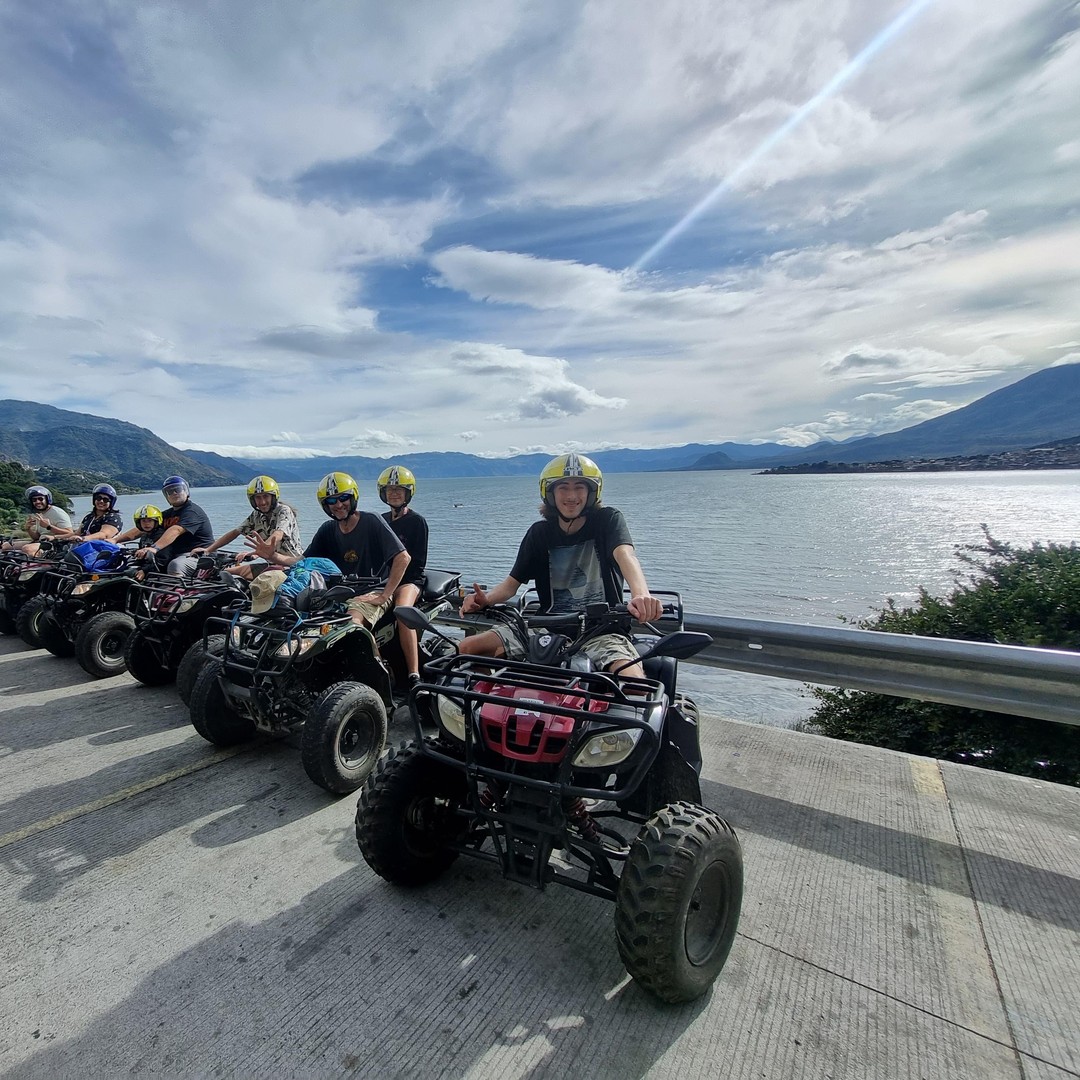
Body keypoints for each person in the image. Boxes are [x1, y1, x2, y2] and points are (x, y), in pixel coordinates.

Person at [459, 453, 662, 679]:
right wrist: (485, 600)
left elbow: (625, 554)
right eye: (563, 487)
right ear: (550, 493)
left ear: (592, 492)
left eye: (579, 487)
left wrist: (641, 595)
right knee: (468, 649)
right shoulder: (539, 533)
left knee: (633, 682)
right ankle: (489, 698)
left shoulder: (608, 520)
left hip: (602, 631)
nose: (571, 496)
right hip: (546, 627)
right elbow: (510, 585)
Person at [247, 471, 409, 630]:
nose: (338, 505)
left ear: (353, 497)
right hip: (336, 593)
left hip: (371, 591)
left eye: (343, 498)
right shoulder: (328, 529)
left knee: (351, 626)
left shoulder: (371, 521)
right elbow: (300, 561)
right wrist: (272, 555)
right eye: (332, 500)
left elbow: (403, 558)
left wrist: (384, 595)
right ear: (326, 505)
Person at [377, 465, 429, 687]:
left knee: (402, 612)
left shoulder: (417, 522)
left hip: (409, 581)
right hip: (384, 580)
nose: (394, 493)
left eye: (399, 489)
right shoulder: (381, 520)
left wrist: (396, 580)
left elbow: (417, 562)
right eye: (390, 489)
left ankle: (413, 673)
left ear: (408, 493)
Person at [192, 476, 301, 579]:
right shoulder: (257, 515)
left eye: (265, 496)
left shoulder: (284, 511)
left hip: (293, 566)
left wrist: (256, 553)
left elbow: (278, 534)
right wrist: (208, 550)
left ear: (273, 496)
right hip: (272, 565)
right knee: (224, 572)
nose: (262, 502)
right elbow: (236, 532)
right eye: (258, 497)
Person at [131, 476, 214, 575]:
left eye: (177, 489)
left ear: (186, 491)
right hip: (175, 553)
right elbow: (143, 527)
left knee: (175, 565)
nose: (174, 493)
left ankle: (177, 585)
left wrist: (155, 548)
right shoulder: (168, 514)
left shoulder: (192, 512)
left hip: (199, 555)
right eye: (170, 491)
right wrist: (116, 540)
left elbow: (176, 530)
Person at [27, 484, 123, 554]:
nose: (101, 501)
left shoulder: (113, 517)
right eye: (98, 498)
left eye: (106, 499)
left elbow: (104, 534)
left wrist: (83, 539)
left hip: (100, 551)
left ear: (111, 502)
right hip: (82, 548)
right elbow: (75, 534)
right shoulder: (89, 517)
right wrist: (54, 537)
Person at [2, 486, 73, 552]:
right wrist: (28, 529)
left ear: (47, 499)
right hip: (40, 542)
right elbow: (36, 537)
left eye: (40, 499)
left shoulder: (57, 513)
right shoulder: (40, 514)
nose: (37, 502)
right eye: (34, 500)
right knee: (5, 546)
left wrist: (49, 527)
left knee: (27, 548)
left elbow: (70, 533)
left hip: (54, 544)